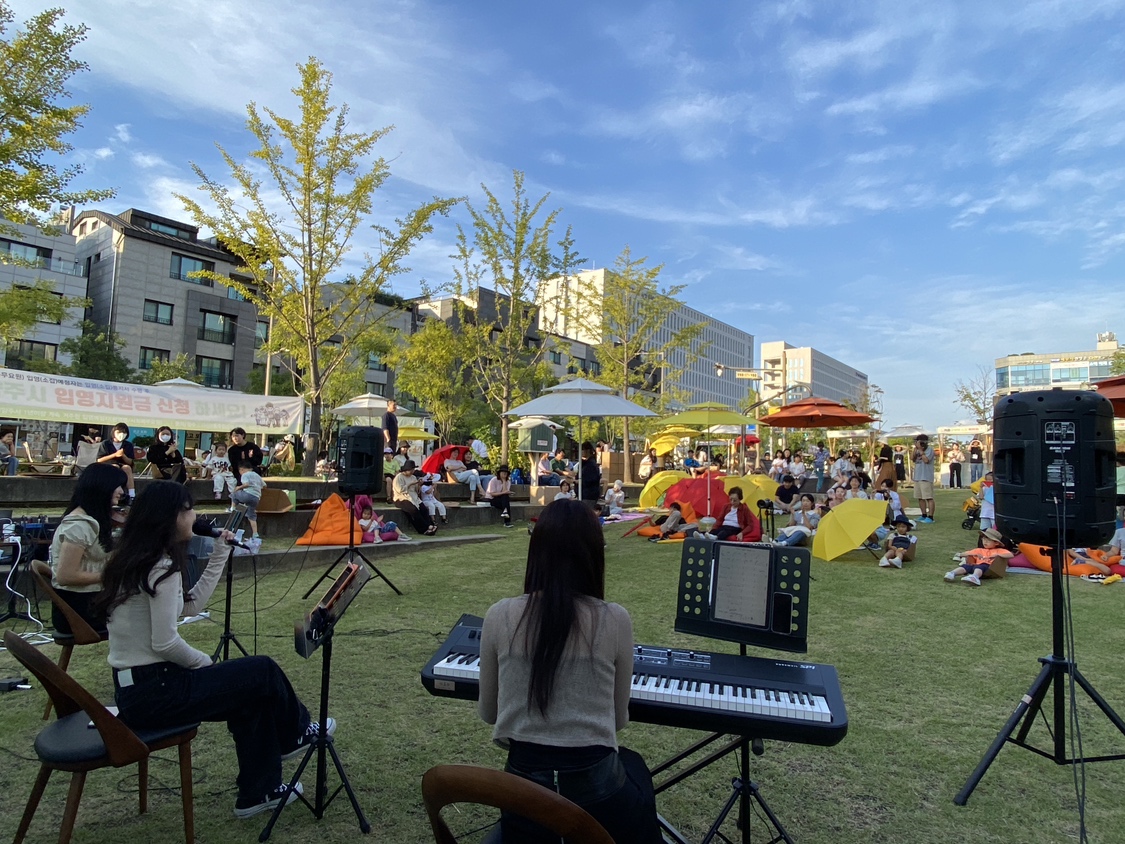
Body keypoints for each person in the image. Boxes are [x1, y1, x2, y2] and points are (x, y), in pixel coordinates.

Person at [95, 481, 332, 819]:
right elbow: (165, 642)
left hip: (136, 690)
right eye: (189, 510)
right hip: (156, 689)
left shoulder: (134, 561)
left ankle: (259, 792)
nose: (194, 516)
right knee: (262, 669)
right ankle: (296, 732)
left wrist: (220, 553)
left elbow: (189, 607)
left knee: (250, 694)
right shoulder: (158, 568)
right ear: (170, 517)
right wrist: (205, 663)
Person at [478, 499, 661, 843]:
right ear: (593, 554)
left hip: (522, 799)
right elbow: (618, 721)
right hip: (597, 797)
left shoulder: (498, 615)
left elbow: (489, 713)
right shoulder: (615, 619)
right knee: (635, 769)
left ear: (536, 552)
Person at [47, 463, 128, 635]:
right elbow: (66, 576)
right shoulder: (78, 526)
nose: (122, 492)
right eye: (118, 486)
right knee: (140, 617)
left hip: (90, 600)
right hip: (78, 609)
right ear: (102, 487)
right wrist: (111, 575)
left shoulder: (93, 519)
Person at [946, 528, 1013, 586]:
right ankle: (952, 573)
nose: (985, 542)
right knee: (967, 566)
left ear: (996, 543)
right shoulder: (979, 550)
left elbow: (1010, 555)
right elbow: (962, 554)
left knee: (981, 565)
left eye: (988, 540)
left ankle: (975, 577)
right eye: (984, 539)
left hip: (991, 569)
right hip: (977, 567)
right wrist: (974, 554)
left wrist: (997, 555)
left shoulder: (999, 550)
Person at [393, 459, 438, 536]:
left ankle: (430, 525)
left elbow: (416, 490)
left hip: (414, 497)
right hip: (401, 498)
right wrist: (410, 484)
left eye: (413, 470)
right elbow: (400, 490)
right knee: (413, 510)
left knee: (424, 509)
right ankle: (424, 528)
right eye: (411, 470)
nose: (412, 471)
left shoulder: (413, 477)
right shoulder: (399, 477)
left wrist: (419, 485)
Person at [97, 422, 137, 500]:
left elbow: (130, 461)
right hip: (108, 465)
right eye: (119, 432)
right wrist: (115, 455)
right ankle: (112, 492)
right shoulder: (106, 443)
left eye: (124, 432)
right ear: (113, 432)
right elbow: (99, 460)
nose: (121, 434)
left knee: (127, 468)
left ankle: (132, 495)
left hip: (122, 465)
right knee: (114, 467)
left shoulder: (128, 445)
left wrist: (123, 455)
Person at [232, 459, 264, 538]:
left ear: (241, 469)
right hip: (256, 497)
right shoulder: (257, 475)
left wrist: (239, 487)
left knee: (234, 494)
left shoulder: (245, 475)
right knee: (251, 515)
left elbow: (246, 484)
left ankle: (232, 508)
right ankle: (255, 533)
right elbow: (264, 485)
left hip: (248, 495)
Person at [912, 435, 936, 523]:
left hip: (926, 476)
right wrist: (915, 449)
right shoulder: (916, 449)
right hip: (918, 477)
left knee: (928, 497)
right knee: (920, 497)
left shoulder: (930, 450)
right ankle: (923, 515)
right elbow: (912, 459)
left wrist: (921, 450)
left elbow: (926, 460)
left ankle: (931, 517)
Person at [579, 442, 601, 507]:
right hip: (585, 494)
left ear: (587, 451)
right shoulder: (586, 463)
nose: (581, 452)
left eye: (582, 449)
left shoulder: (591, 464)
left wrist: (577, 481)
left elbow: (590, 480)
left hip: (589, 495)